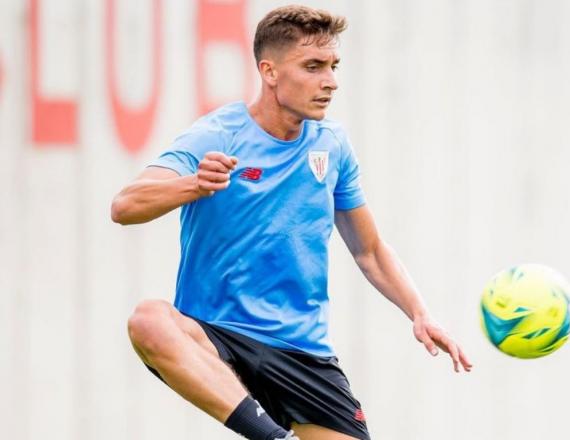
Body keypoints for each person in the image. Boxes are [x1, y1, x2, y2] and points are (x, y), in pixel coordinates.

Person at [111, 5, 472, 440]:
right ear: (270, 71)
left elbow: (369, 250)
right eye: (313, 67)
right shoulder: (217, 135)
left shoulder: (332, 145)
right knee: (149, 320)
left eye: (334, 67)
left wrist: (420, 312)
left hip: (303, 352)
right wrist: (192, 184)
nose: (331, 82)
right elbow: (125, 206)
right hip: (218, 338)